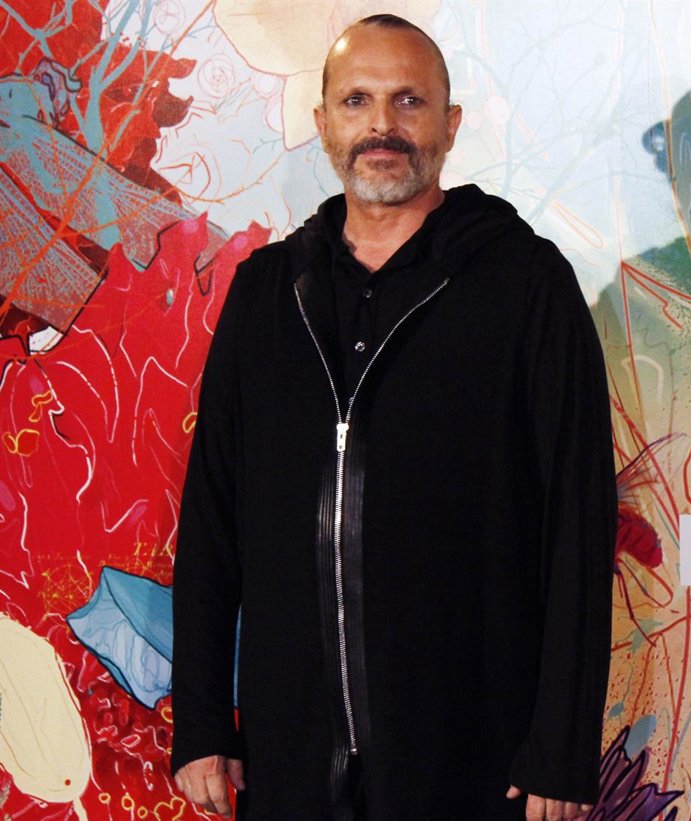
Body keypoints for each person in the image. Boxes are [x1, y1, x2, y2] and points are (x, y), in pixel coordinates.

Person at [170, 14, 615, 821]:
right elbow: (211, 520)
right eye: (357, 101)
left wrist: (561, 745)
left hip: (471, 757)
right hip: (291, 755)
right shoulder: (268, 292)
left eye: (409, 100)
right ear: (323, 124)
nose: (383, 124)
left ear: (450, 124)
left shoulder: (525, 285)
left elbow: (577, 525)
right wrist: (200, 718)